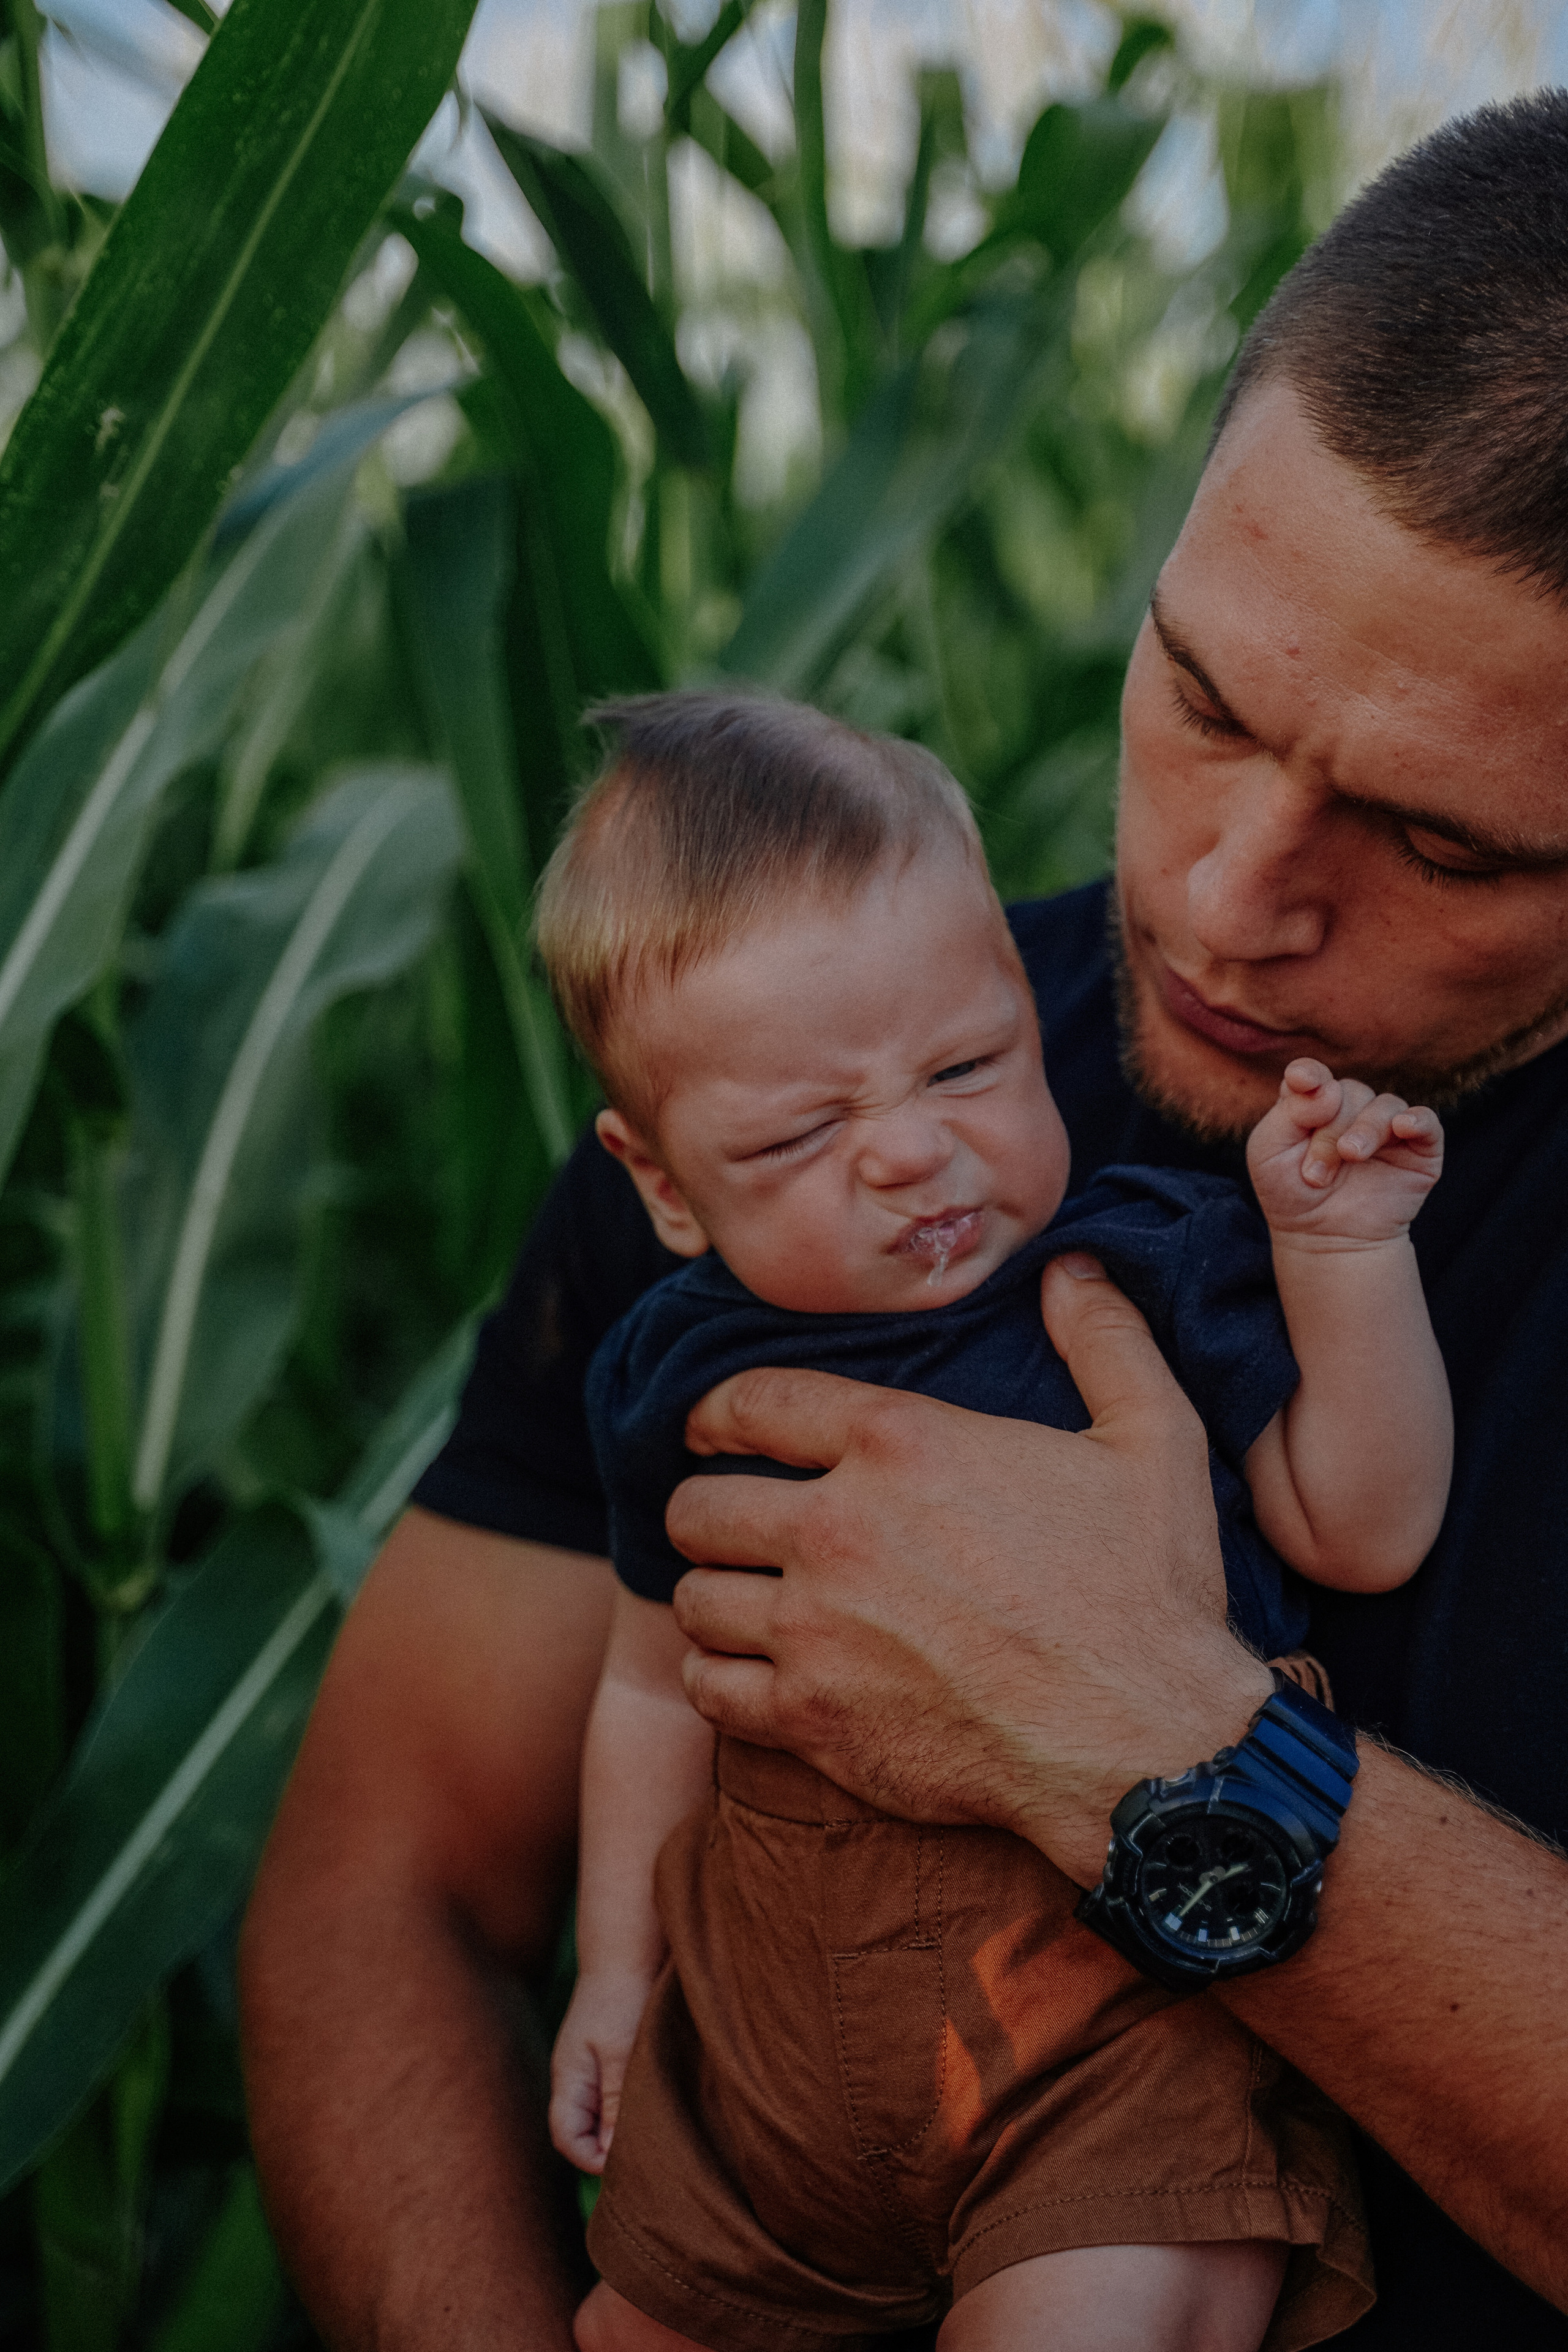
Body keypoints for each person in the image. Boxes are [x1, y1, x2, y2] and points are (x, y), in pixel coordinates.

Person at [239, 89, 1568, 2351]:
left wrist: (1167, 1744)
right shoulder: (799, 1121)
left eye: (1445, 849)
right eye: (1201, 697)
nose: (1233, 904)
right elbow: (387, 1878)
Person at [537, 691, 1449, 2352]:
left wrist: (1341, 1261)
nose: (911, 1151)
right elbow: (648, 1682)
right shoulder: (668, 1372)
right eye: (804, 1132)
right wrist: (613, 1975)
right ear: (661, 1182)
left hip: (1104, 2045)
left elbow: (1359, 1525)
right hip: (758, 2070)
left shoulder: (1142, 1269)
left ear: (1030, 1014)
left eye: (966, 1066)